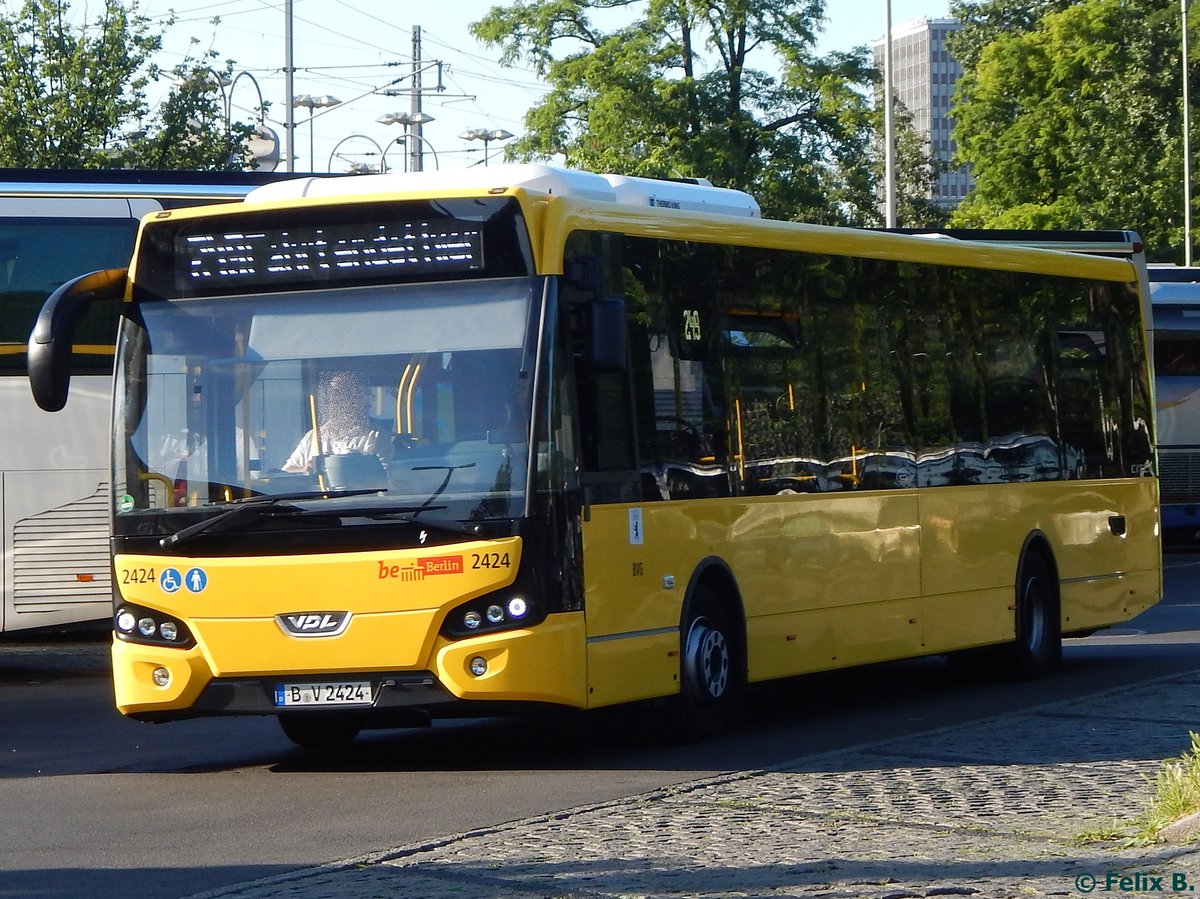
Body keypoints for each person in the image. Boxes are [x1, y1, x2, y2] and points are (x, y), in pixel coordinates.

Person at [283, 370, 380, 474]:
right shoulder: (313, 436)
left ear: (358, 400)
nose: (335, 401)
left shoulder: (374, 436)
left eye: (343, 395)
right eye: (331, 396)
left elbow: (385, 478)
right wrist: (304, 469)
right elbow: (286, 471)